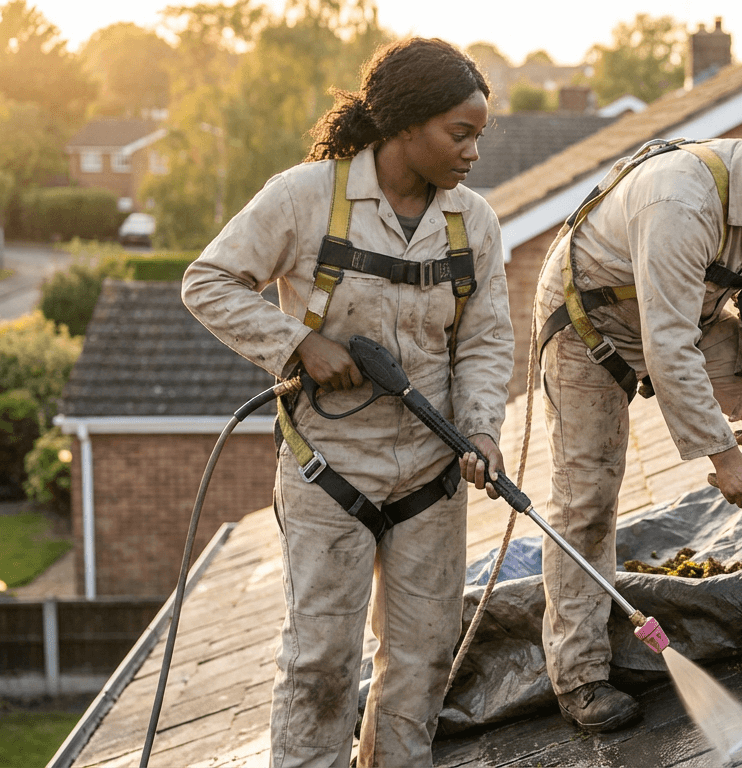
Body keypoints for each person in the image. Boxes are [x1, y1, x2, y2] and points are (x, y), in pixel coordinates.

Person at [182, 37, 514, 767]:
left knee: (423, 662)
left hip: (432, 476)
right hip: (329, 474)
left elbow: (486, 341)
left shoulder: (472, 224)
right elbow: (207, 282)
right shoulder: (305, 199)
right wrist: (296, 343)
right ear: (403, 125)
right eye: (460, 135)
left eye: (478, 137)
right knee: (319, 668)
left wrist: (483, 432)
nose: (472, 154)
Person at [533, 94, 742, 731]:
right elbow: (666, 343)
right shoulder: (681, 199)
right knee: (587, 497)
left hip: (681, 317)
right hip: (588, 329)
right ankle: (581, 676)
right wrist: (725, 455)